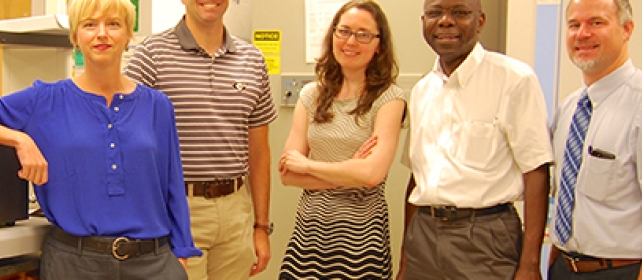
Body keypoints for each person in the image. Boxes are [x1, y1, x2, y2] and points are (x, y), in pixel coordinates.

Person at [0, 0, 202, 279]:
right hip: (74, 264)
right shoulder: (45, 99)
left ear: (129, 35)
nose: (101, 33)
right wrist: (20, 140)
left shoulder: (157, 105)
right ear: (76, 37)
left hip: (153, 263)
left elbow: (173, 183)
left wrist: (182, 253)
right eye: (89, 25)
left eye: (113, 24)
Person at [397, 0, 554, 279]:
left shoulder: (514, 79)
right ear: (424, 21)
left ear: (479, 21)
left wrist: (530, 265)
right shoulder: (423, 90)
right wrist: (406, 261)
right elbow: (416, 179)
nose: (445, 21)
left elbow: (536, 172)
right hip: (423, 233)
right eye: (435, 13)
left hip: (485, 236)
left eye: (459, 12)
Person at [123, 1, 277, 279]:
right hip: (177, 210)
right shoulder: (151, 55)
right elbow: (125, 140)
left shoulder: (252, 60)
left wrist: (261, 227)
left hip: (236, 211)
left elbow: (259, 151)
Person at [276, 0, 406, 279]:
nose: (351, 41)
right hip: (308, 236)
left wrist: (309, 166)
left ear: (379, 45)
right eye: (344, 31)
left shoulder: (390, 98)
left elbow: (371, 174)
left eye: (363, 34)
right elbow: (287, 173)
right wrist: (349, 170)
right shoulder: (312, 95)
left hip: (360, 242)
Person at [547, 0, 642, 279]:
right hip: (565, 268)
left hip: (624, 271)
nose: (582, 34)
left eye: (596, 23)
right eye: (574, 25)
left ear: (627, 29)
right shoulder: (569, 109)